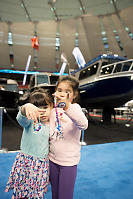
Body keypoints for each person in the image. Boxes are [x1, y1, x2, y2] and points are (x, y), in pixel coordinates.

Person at [5, 88, 53, 199]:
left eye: (45, 107)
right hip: (25, 162)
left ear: (51, 106)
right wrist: (26, 107)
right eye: (37, 108)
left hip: (41, 165)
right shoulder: (29, 121)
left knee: (36, 193)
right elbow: (20, 118)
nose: (42, 111)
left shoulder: (53, 124)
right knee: (21, 191)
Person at [49, 75, 88, 199]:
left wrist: (66, 106)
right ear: (55, 92)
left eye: (67, 92)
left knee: (65, 195)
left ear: (74, 95)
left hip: (68, 162)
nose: (62, 94)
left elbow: (83, 124)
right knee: (54, 194)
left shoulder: (74, 108)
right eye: (59, 90)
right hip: (52, 160)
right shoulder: (53, 110)